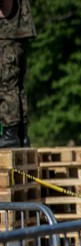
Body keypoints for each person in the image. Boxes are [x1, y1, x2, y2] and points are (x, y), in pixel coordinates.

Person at [0, 0, 35, 148]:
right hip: (16, 28)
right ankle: (21, 134)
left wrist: (5, 10)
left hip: (8, 28)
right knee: (16, 85)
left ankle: (10, 135)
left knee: (5, 83)